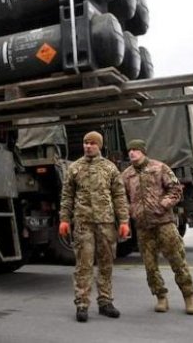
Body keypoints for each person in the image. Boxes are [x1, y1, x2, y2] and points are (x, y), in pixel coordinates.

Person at [59, 131, 130, 323]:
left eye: (92, 143)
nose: (88, 146)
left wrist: (124, 221)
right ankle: (82, 304)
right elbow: (67, 197)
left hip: (106, 223)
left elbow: (119, 197)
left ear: (99, 145)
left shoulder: (110, 168)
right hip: (83, 223)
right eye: (85, 142)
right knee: (84, 264)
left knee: (106, 263)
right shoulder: (74, 168)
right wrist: (64, 219)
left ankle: (105, 302)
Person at [121, 139, 193, 315]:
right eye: (130, 150)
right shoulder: (126, 175)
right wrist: (129, 210)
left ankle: (189, 296)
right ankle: (161, 297)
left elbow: (176, 189)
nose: (132, 153)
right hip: (143, 226)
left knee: (177, 260)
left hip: (164, 223)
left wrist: (165, 203)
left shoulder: (159, 167)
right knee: (150, 265)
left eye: (135, 150)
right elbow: (121, 196)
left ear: (143, 151)